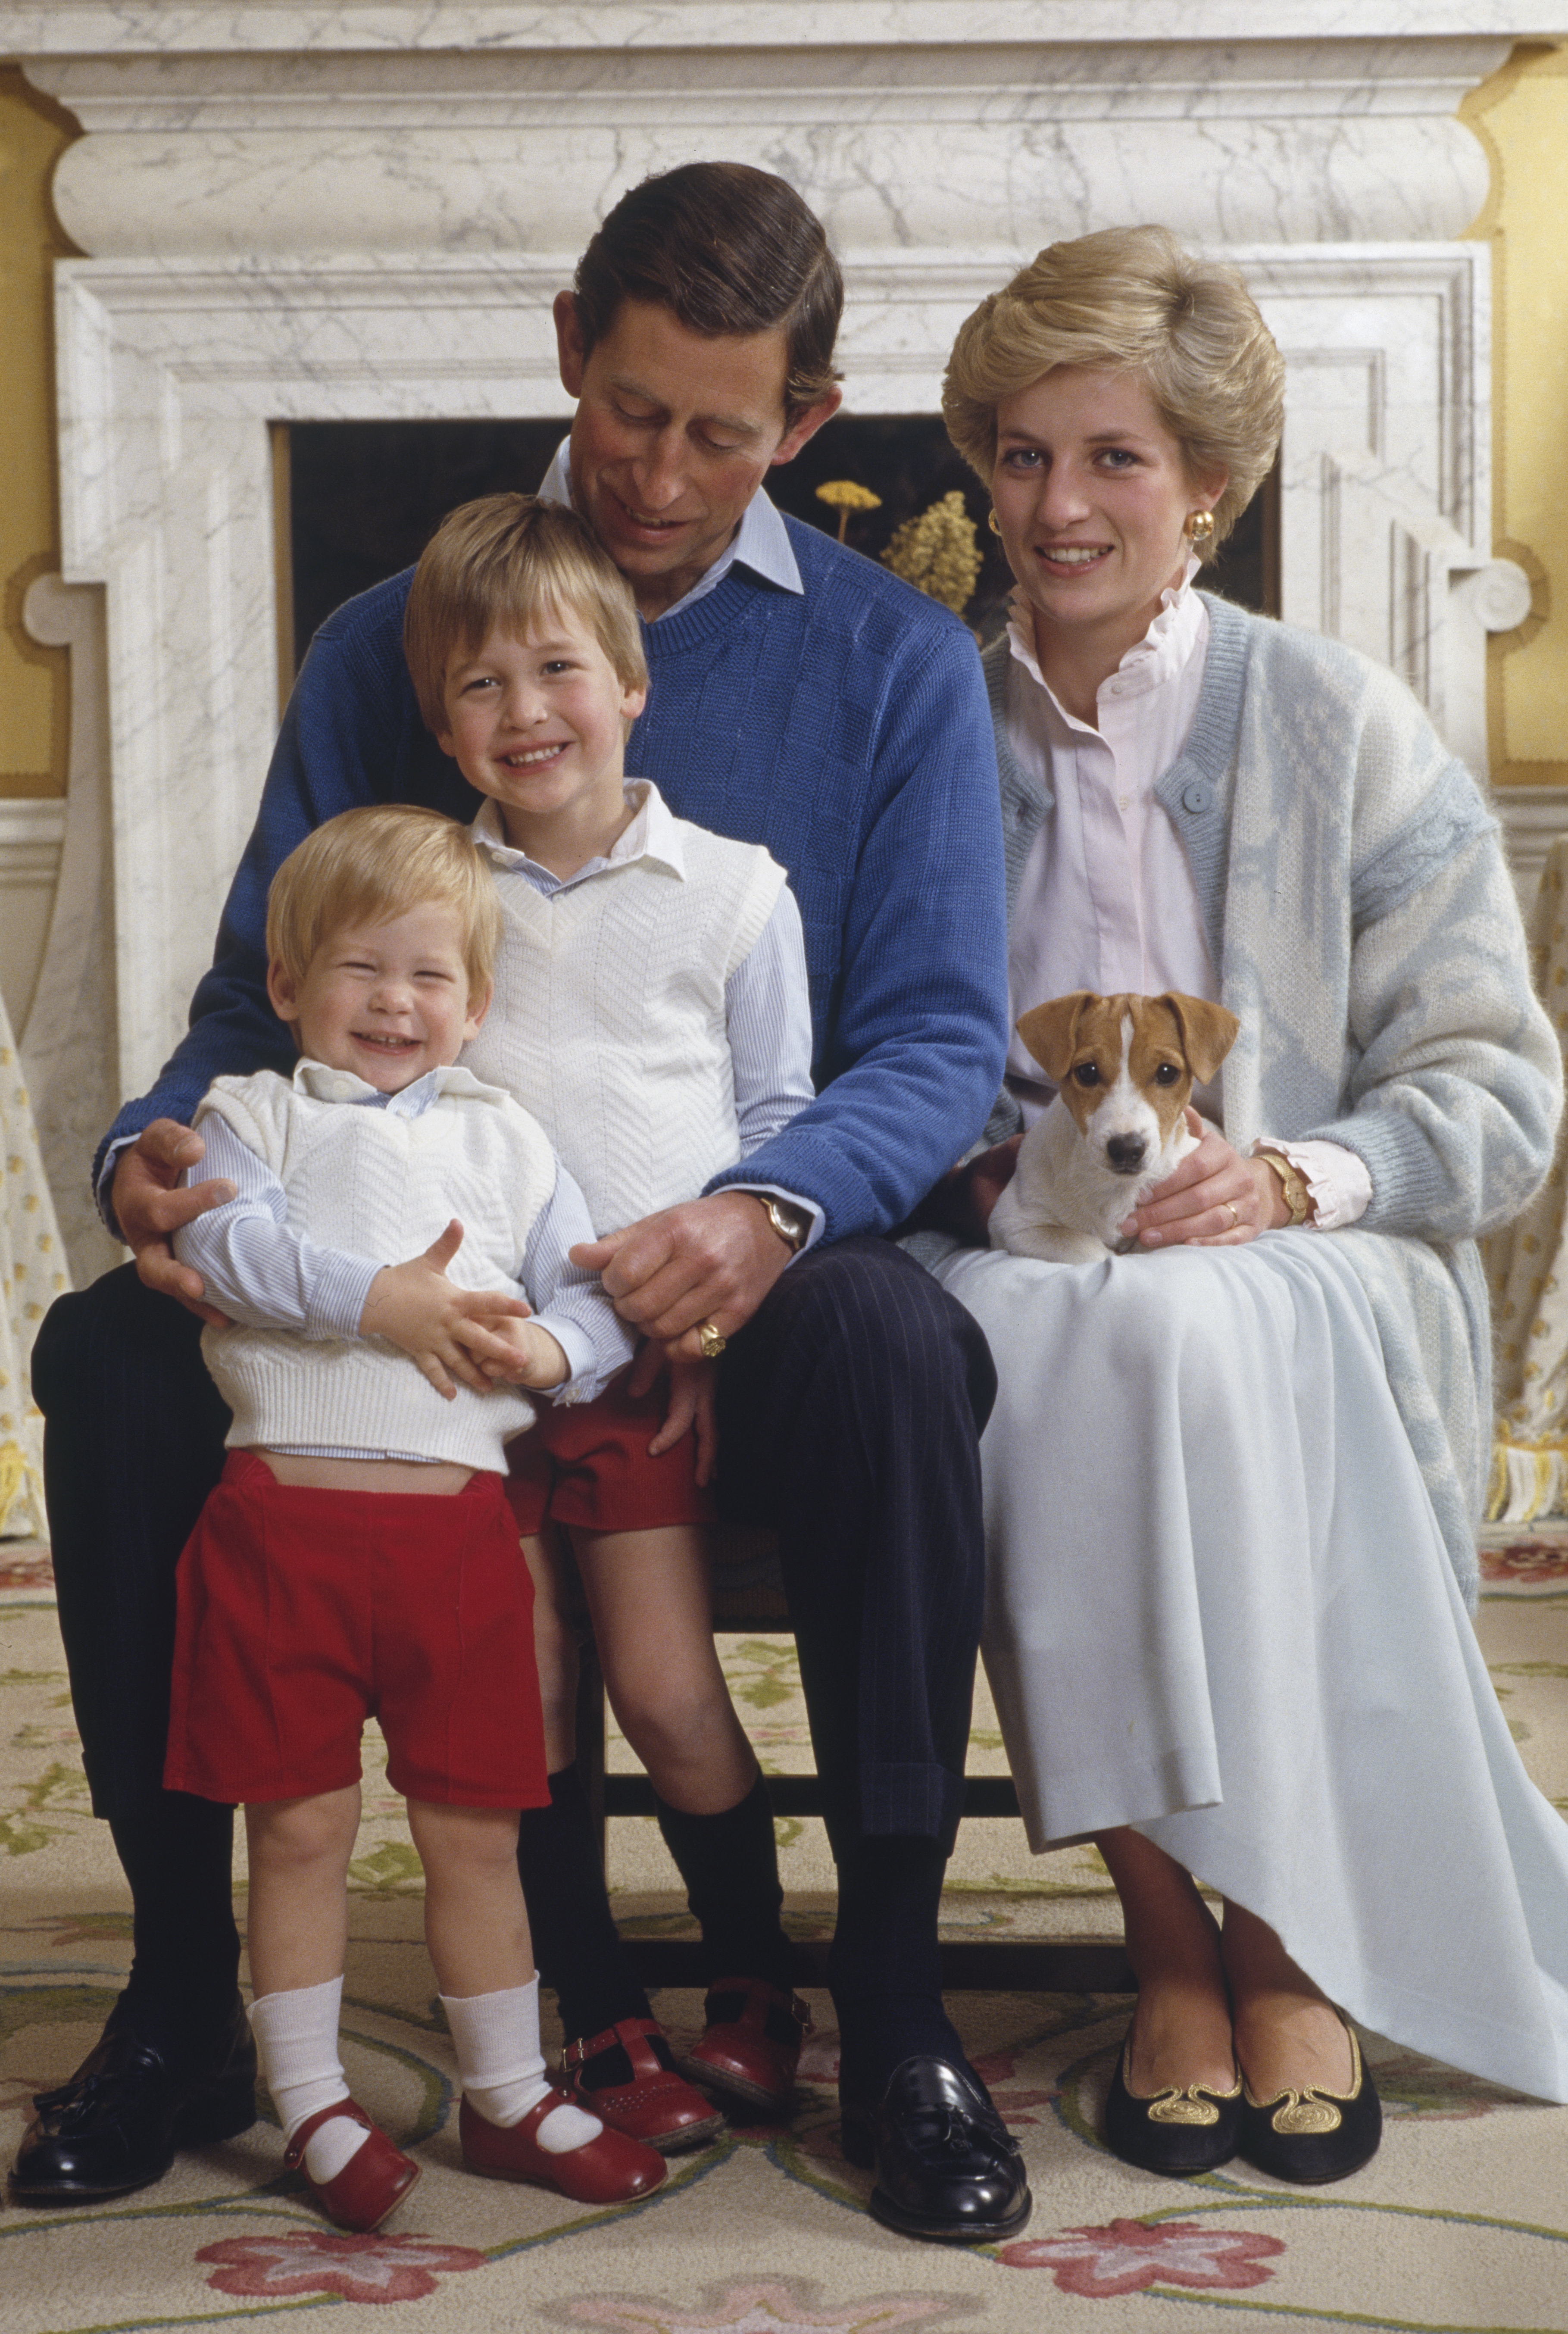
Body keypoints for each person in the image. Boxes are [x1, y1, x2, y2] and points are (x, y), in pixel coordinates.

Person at [20, 163, 1023, 2244]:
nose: (658, 471)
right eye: (629, 407)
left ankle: (892, 1994)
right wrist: (156, 1144)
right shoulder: (401, 638)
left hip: (760, 1246)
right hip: (430, 1256)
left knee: (901, 1341)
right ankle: (191, 1992)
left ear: (805, 425)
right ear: (569, 345)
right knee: (107, 1351)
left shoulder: (893, 666)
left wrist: (764, 1210)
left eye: (718, 432)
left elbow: (929, 1044)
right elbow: (255, 986)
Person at [908, 223, 1568, 2184]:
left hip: (1316, 1262)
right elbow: (869, 1051)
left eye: (1113, 457)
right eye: (1021, 455)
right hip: (1030, 1254)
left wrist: (1289, 1170)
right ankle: (1169, 1929)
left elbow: (1501, 1095)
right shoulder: (927, 719)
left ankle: (1280, 1935)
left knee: (1179, 1319)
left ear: (1209, 483)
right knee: (1060, 1324)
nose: (1058, 504)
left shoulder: (1335, 718)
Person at [161, 804, 666, 2228]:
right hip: (286, 1535)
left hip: (456, 1547)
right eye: (358, 971)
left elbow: (591, 1299)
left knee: (475, 1832)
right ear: (287, 990)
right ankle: (312, 2100)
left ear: (479, 1003)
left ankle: (507, 2096)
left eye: (429, 976)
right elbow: (226, 1244)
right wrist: (380, 1300)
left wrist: (551, 1356)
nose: (394, 1002)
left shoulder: (510, 1139)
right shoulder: (248, 1117)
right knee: (303, 1831)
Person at [404, 489, 814, 2150]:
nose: (526, 715)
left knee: (663, 1686)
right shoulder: (437, 899)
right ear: (442, 722)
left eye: (557, 670)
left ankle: (756, 1980)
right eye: (482, 689)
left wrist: (716, 1333)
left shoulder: (730, 893)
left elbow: (786, 1125)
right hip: (475, 1376)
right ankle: (601, 2011)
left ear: (633, 682)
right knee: (537, 1690)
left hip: (647, 1365)